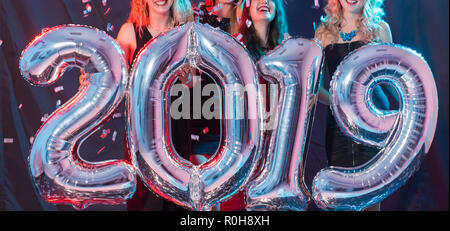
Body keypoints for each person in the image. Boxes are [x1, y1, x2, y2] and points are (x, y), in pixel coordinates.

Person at [314, 0, 393, 211]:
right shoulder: (323, 32)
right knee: (342, 198)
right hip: (338, 125)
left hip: (374, 119)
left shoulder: (380, 29)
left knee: (371, 193)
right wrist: (341, 104)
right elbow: (314, 87)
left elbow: (393, 79)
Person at [116, 0, 193, 211]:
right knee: (144, 203)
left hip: (178, 134)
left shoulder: (186, 33)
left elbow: (193, 84)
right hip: (143, 136)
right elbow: (114, 81)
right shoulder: (130, 32)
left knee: (177, 203)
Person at [216, 0, 289, 211]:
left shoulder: (286, 48)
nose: (264, 1)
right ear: (246, 7)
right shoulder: (236, 46)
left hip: (276, 146)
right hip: (245, 144)